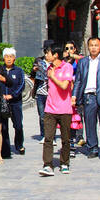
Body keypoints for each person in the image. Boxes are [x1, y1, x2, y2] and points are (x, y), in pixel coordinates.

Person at [73, 36, 100, 161]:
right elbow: (78, 81)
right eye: (91, 45)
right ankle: (93, 148)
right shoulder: (83, 62)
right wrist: (74, 95)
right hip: (88, 97)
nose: (93, 48)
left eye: (96, 45)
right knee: (90, 124)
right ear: (88, 47)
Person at [40, 40, 75, 175]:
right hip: (50, 109)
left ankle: (64, 163)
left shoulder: (67, 67)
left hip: (64, 109)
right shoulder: (49, 68)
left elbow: (64, 86)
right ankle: (48, 164)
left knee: (65, 139)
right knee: (48, 138)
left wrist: (53, 77)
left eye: (47, 53)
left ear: (55, 54)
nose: (46, 56)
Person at [0, 47, 27, 158]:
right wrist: (2, 96)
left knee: (18, 125)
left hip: (15, 102)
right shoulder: (0, 70)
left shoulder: (19, 71)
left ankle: (19, 144)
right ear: (3, 58)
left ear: (14, 58)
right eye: (6, 57)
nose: (8, 59)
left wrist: (13, 95)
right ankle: (5, 149)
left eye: (11, 57)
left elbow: (21, 85)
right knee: (4, 127)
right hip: (3, 102)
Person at [29, 53, 48, 143]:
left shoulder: (55, 63)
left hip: (51, 93)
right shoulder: (39, 61)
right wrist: (34, 70)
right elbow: (32, 75)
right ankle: (44, 134)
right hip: (40, 93)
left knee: (51, 116)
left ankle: (51, 136)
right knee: (42, 116)